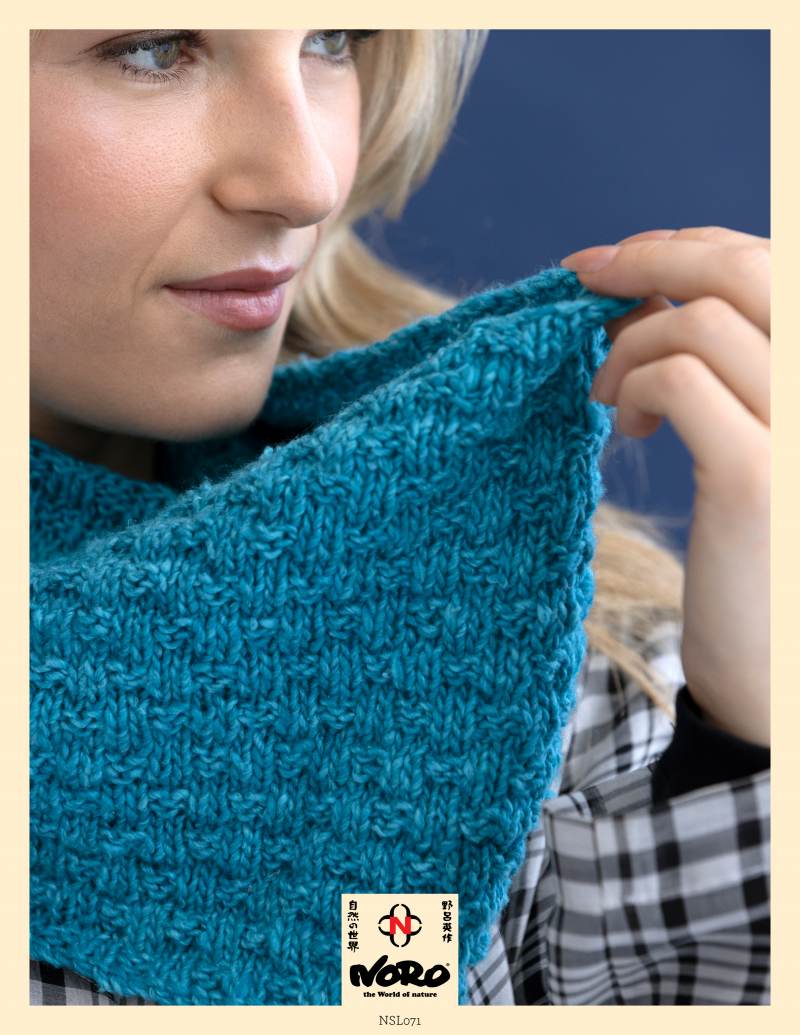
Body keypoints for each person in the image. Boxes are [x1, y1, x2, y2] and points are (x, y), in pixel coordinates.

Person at [28, 29, 770, 1006]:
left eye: (333, 39)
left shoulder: (504, 610)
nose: (306, 181)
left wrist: (752, 730)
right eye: (151, 49)